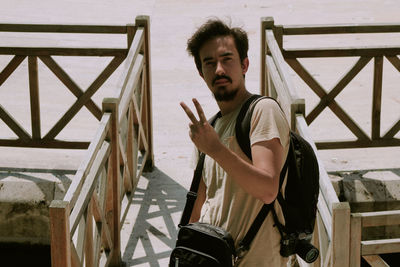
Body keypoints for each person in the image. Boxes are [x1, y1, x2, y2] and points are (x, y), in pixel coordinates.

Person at [180, 18, 291, 266]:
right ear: (201, 73)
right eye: (209, 63)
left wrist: (216, 149)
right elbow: (200, 202)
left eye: (227, 59)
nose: (219, 69)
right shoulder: (210, 127)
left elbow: (268, 190)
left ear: (244, 65)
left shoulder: (263, 111)